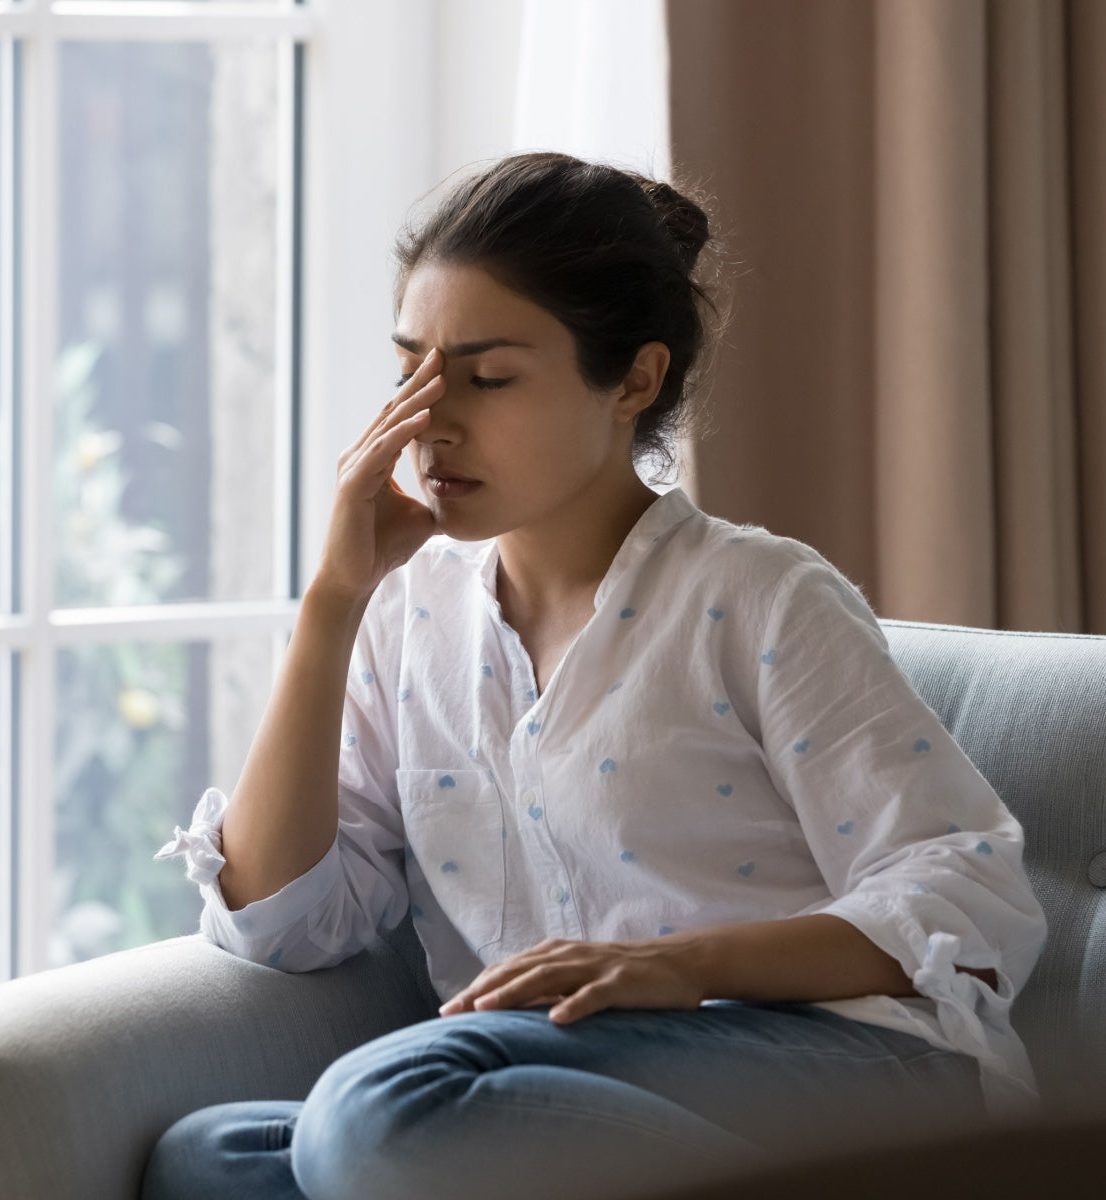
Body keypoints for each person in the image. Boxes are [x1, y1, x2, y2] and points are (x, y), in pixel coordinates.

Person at [143, 151, 1047, 1200]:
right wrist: (331, 604)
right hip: (558, 1078)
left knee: (377, 1113)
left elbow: (967, 896)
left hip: (837, 1064)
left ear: (635, 379)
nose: (431, 422)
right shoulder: (408, 616)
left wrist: (682, 969)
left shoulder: (757, 596)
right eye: (411, 373)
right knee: (208, 1161)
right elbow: (280, 923)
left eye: (485, 379)